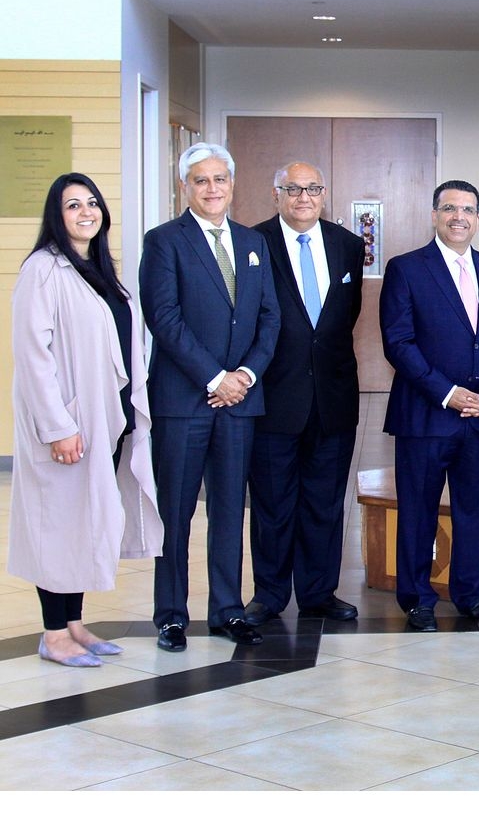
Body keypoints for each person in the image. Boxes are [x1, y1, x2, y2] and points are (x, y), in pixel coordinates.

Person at [8, 174, 163, 667]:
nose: (85, 212)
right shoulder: (43, 269)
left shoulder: (97, 269)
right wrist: (58, 427)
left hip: (104, 420)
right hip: (68, 426)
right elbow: (34, 356)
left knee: (84, 522)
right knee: (57, 524)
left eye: (92, 203)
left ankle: (75, 623)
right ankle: (53, 634)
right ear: (57, 215)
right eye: (73, 205)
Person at [141, 142, 280, 652]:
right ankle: (171, 616)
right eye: (201, 180)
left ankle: (226, 610)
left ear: (232, 183)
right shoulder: (163, 242)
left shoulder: (252, 242)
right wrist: (213, 377)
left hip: (241, 400)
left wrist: (243, 375)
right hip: (184, 402)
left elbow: (270, 317)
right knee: (175, 514)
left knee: (229, 511)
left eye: (220, 178)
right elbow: (165, 320)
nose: (212, 187)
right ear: (186, 186)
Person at [380, 179, 479, 633]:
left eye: (467, 209)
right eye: (449, 208)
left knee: (472, 510)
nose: (458, 216)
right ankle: (418, 598)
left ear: (478, 217)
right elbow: (398, 343)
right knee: (418, 510)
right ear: (434, 215)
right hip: (426, 415)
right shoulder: (406, 268)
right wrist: (447, 393)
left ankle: (470, 594)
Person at [245, 162, 365, 626]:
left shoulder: (348, 245)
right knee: (273, 504)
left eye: (312, 188)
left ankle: (319, 592)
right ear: (276, 194)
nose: (303, 197)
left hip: (333, 396)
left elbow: (342, 319)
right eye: (292, 189)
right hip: (275, 394)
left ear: (324, 193)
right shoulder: (254, 243)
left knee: (324, 501)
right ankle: (269, 594)